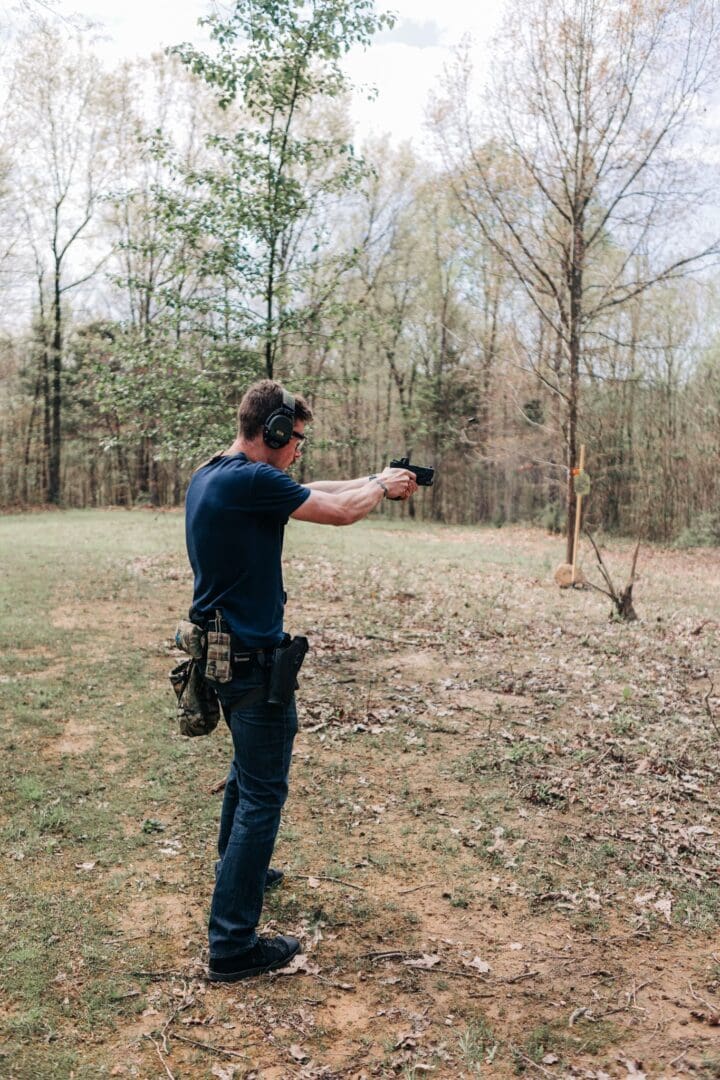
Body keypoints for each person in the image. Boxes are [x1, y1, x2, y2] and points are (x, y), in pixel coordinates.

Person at [185, 378, 418, 982]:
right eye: (296, 441)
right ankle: (232, 945)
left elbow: (313, 490)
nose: (298, 453)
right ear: (275, 432)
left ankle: (241, 871)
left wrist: (376, 476)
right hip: (252, 664)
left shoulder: (216, 474)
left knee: (246, 776)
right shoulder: (254, 481)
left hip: (221, 657)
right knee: (264, 793)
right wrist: (380, 490)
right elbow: (338, 511)